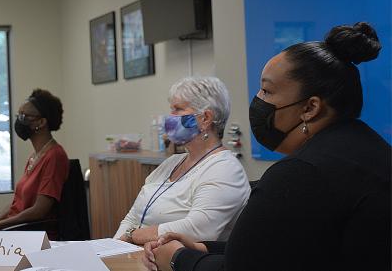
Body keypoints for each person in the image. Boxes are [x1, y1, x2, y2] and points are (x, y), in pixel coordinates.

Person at [143, 22, 391, 271]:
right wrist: (204, 248)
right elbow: (274, 249)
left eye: (266, 91)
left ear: (310, 108)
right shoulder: (372, 151)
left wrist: (177, 258)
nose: (258, 101)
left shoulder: (301, 174)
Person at [114, 76, 250, 245]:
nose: (170, 117)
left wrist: (133, 236)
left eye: (177, 109)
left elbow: (197, 229)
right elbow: (132, 217)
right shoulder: (172, 163)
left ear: (206, 118)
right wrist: (114, 249)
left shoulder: (225, 169)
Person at [0, 89, 70, 237]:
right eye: (19, 115)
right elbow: (16, 203)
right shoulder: (35, 156)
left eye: (24, 116)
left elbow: (39, 210)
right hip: (16, 227)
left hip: (29, 232)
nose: (19, 120)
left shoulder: (55, 156)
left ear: (41, 122)